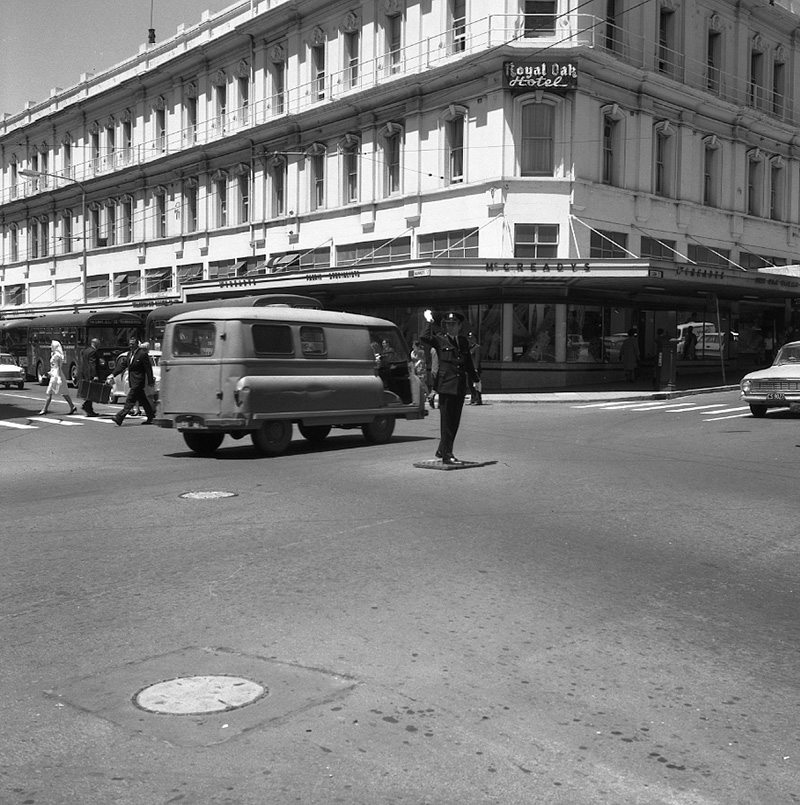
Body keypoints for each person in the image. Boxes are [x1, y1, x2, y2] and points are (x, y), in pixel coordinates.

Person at [420, 309, 479, 464]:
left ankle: (442, 450)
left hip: (459, 386)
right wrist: (429, 321)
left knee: (455, 422)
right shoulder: (440, 339)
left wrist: (475, 380)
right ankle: (447, 455)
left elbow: (468, 364)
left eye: (453, 324)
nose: (450, 327)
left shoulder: (463, 341)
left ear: (460, 326)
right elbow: (424, 337)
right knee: (446, 422)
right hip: (446, 386)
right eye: (447, 324)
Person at [109, 336, 155, 426]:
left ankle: (119, 417)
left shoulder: (142, 354)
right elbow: (122, 365)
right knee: (143, 400)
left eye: (133, 344)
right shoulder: (129, 354)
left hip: (138, 381)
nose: (131, 346)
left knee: (130, 400)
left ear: (137, 344)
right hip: (132, 380)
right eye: (130, 344)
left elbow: (148, 369)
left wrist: (150, 381)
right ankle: (151, 417)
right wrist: (113, 374)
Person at [38, 340, 77, 416]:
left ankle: (44, 409)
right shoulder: (54, 355)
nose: (51, 347)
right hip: (55, 374)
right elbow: (54, 367)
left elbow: (58, 367)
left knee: (49, 392)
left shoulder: (57, 356)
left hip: (56, 376)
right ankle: (72, 406)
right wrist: (48, 373)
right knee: (64, 392)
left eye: (52, 346)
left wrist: (58, 378)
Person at [78, 337, 101, 417]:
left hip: (85, 373)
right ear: (96, 344)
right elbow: (92, 364)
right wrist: (95, 375)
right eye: (99, 344)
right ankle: (87, 406)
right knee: (92, 392)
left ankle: (89, 409)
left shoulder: (86, 350)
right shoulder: (93, 352)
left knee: (89, 392)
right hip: (90, 374)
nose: (99, 346)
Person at [468, 332, 482, 405]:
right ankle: (473, 399)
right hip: (470, 369)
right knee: (470, 385)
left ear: (475, 339)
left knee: (476, 385)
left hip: (475, 369)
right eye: (469, 338)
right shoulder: (469, 348)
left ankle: (478, 399)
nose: (470, 340)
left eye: (472, 338)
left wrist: (476, 368)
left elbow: (477, 359)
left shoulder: (477, 347)